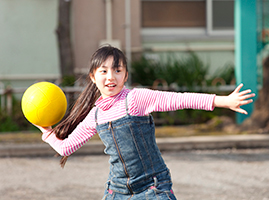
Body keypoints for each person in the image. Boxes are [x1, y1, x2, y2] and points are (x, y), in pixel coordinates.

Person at [36, 45, 255, 200]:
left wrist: (223, 101)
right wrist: (46, 131)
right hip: (117, 191)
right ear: (93, 77)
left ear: (125, 75)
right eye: (103, 71)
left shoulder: (136, 99)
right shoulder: (95, 114)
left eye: (117, 70)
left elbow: (178, 99)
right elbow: (67, 146)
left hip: (153, 187)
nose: (110, 77)